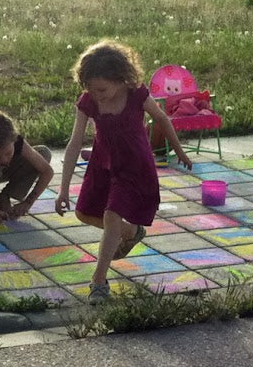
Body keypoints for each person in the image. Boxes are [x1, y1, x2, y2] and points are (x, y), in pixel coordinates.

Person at [57, 40, 192, 304]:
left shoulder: (136, 94)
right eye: (90, 89)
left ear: (120, 80)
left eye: (102, 89)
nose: (96, 94)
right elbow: (74, 143)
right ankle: (130, 232)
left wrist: (179, 151)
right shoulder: (89, 102)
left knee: (111, 215)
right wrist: (63, 189)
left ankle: (98, 281)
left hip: (133, 166)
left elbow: (161, 118)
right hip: (103, 164)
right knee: (84, 213)